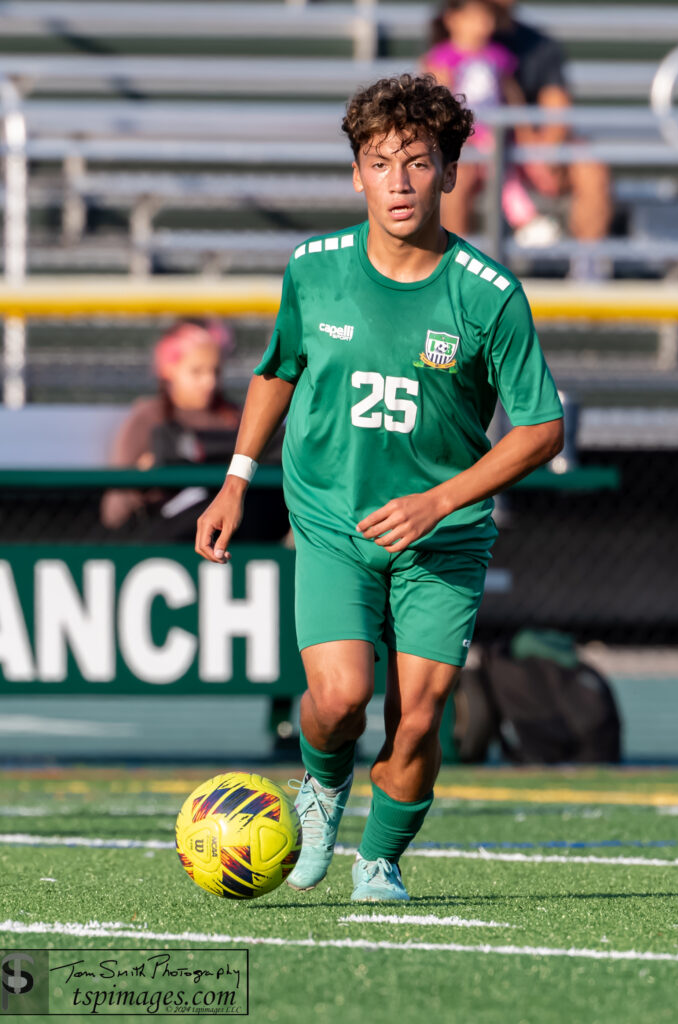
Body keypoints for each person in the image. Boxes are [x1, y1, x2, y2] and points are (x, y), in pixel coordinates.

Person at [195, 73, 564, 902]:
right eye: (379, 162)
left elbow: (542, 429)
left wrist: (440, 500)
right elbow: (277, 370)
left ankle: (381, 859)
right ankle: (322, 784)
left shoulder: (490, 295)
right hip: (330, 515)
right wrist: (234, 481)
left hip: (443, 534)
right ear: (355, 174)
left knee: (421, 715)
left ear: (451, 172)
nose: (398, 181)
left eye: (417, 162)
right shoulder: (313, 268)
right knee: (339, 699)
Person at [422, 0, 560, 246]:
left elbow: (513, 98)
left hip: (494, 137)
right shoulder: (443, 57)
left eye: (487, 19)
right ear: (452, 20)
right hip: (464, 139)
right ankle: (523, 220)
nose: (484, 26)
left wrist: (527, 135)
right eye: (475, 19)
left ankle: (526, 221)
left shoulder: (499, 56)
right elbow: (439, 101)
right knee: (477, 176)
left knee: (503, 170)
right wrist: (458, 137)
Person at [491, 0, 612, 260]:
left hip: (529, 147)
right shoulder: (450, 44)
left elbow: (556, 106)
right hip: (480, 149)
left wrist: (546, 151)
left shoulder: (539, 45)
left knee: (591, 169)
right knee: (458, 172)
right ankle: (450, 273)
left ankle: (588, 265)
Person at [100, 319, 240, 533]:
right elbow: (114, 511)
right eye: (197, 372)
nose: (209, 382)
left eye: (215, 372)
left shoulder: (236, 418)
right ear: (169, 369)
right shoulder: (148, 419)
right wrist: (143, 480)